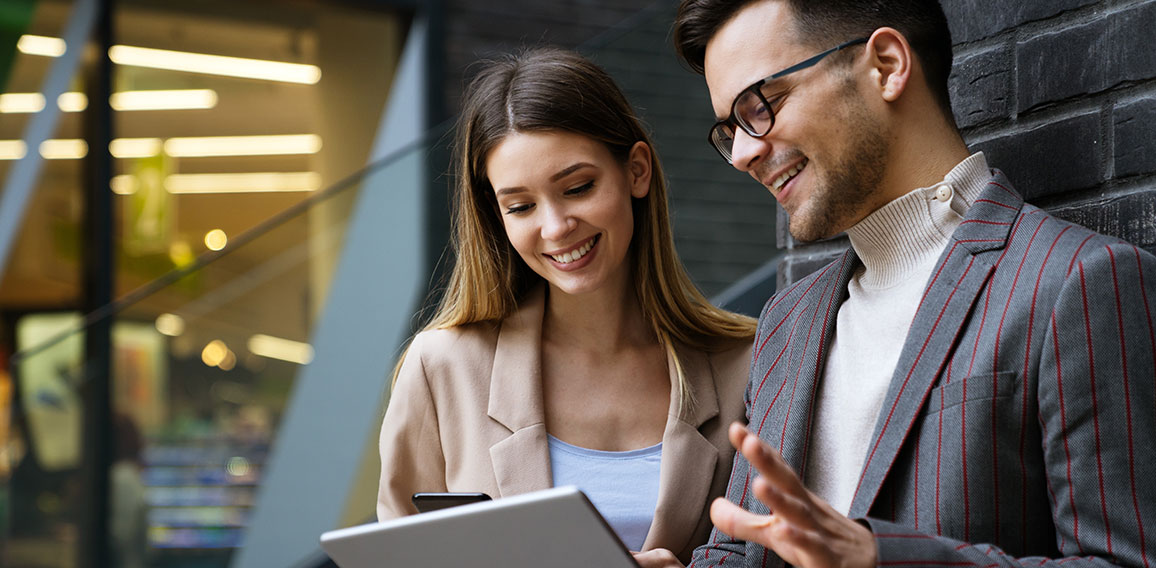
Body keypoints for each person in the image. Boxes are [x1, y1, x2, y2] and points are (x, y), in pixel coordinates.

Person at [633, 0, 1156, 567]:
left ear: (885, 65)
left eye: (761, 105)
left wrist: (881, 558)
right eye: (728, 129)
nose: (741, 153)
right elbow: (745, 548)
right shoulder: (788, 320)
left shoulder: (1076, 282)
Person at [375, 47, 757, 562]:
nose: (555, 228)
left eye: (577, 187)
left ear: (636, 171)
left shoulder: (749, 363)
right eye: (521, 206)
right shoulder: (442, 366)